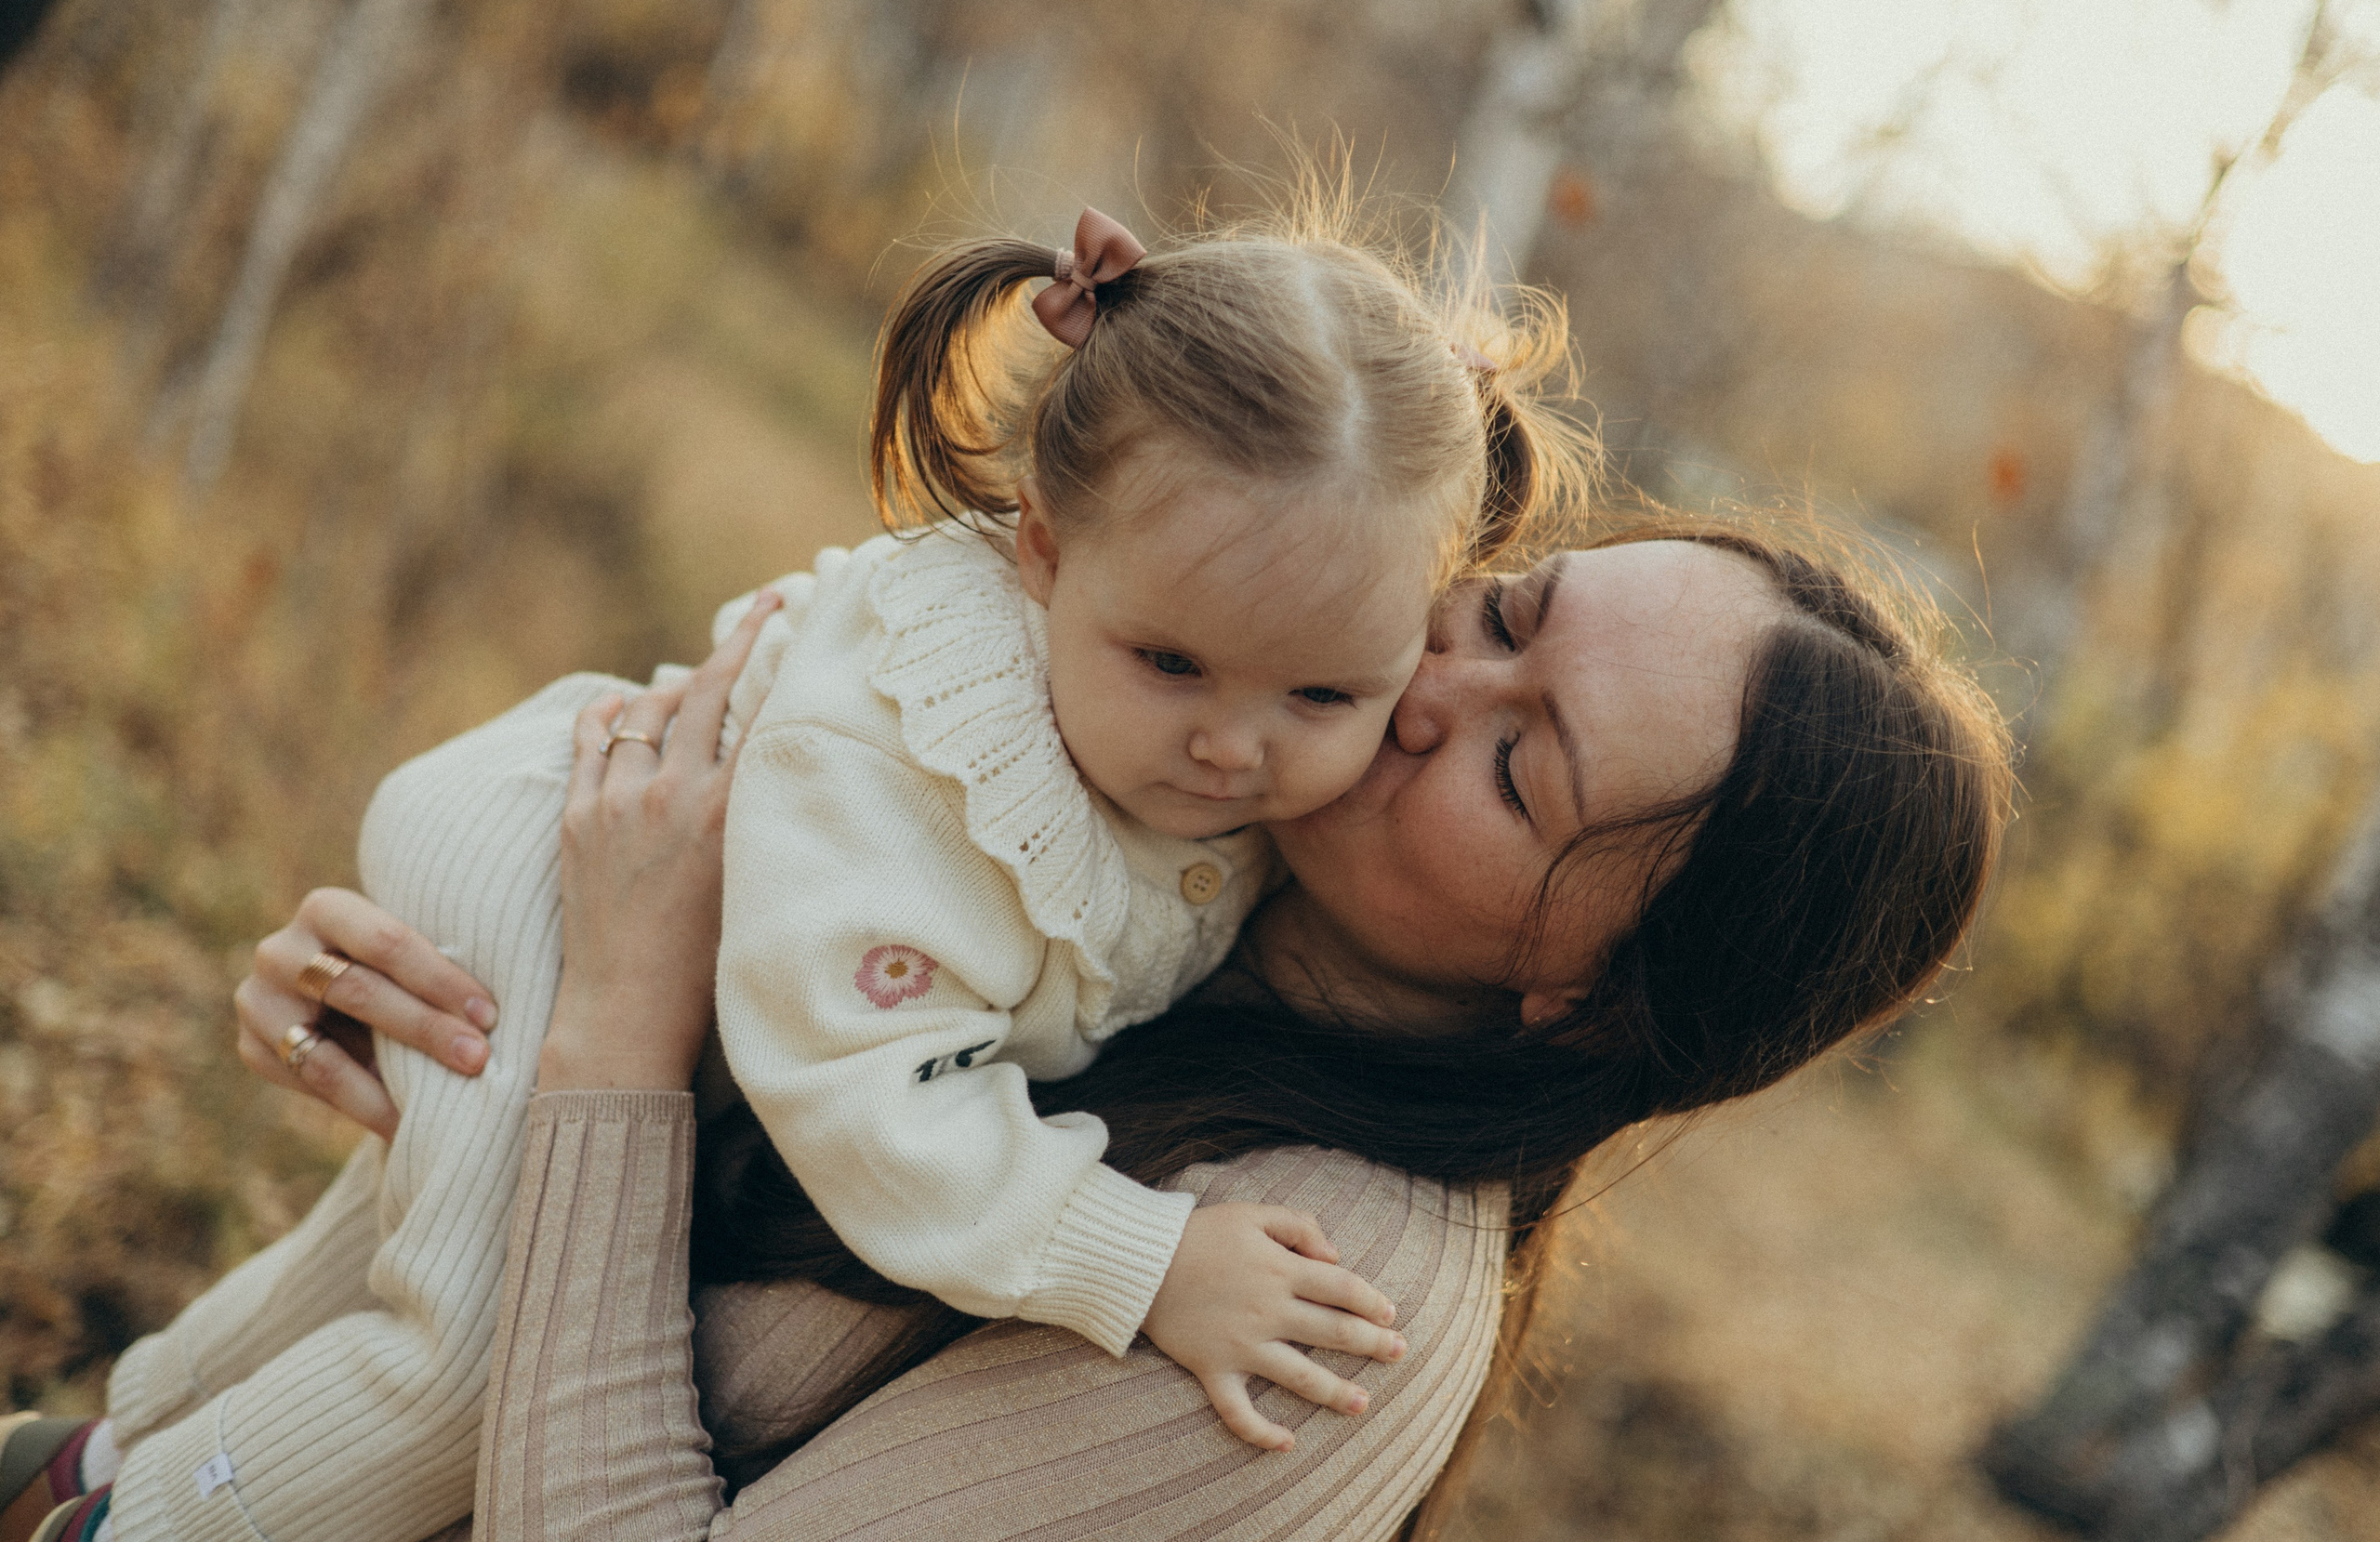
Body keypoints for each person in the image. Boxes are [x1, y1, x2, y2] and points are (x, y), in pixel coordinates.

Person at [9, 491, 2014, 1540]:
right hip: (138, 1438)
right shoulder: (1180, 866)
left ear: (1585, 998)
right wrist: (455, 992)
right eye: (1504, 611)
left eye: (1520, 768)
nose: (1422, 679)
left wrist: (612, 1031)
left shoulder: (1321, 1302)